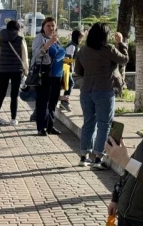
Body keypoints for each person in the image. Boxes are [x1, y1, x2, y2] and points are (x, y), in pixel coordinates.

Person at [74, 22, 129, 169]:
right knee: (104, 124)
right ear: (104, 36)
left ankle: (84, 156)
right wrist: (121, 43)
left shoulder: (83, 51)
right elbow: (124, 59)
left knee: (88, 123)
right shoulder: (108, 49)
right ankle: (98, 158)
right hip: (104, 90)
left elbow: (78, 72)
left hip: (86, 91)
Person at [32, 17, 66, 136]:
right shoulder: (39, 38)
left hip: (57, 74)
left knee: (53, 102)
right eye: (48, 26)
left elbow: (59, 55)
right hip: (44, 74)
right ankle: (41, 127)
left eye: (53, 25)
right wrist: (48, 45)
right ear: (43, 27)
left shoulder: (56, 40)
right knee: (42, 102)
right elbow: (36, 54)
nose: (51, 28)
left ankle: (50, 126)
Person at [0, 20, 29, 125]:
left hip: (3, 70)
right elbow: (25, 57)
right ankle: (13, 119)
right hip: (16, 71)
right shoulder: (20, 39)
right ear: (17, 29)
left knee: (1, 93)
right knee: (14, 95)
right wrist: (26, 70)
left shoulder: (1, 39)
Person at [60, 29, 84, 110]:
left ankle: (64, 101)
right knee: (70, 84)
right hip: (66, 68)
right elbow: (67, 59)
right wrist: (76, 61)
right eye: (80, 37)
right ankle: (64, 101)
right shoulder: (72, 46)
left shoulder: (74, 45)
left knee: (68, 84)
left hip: (68, 68)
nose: (81, 39)